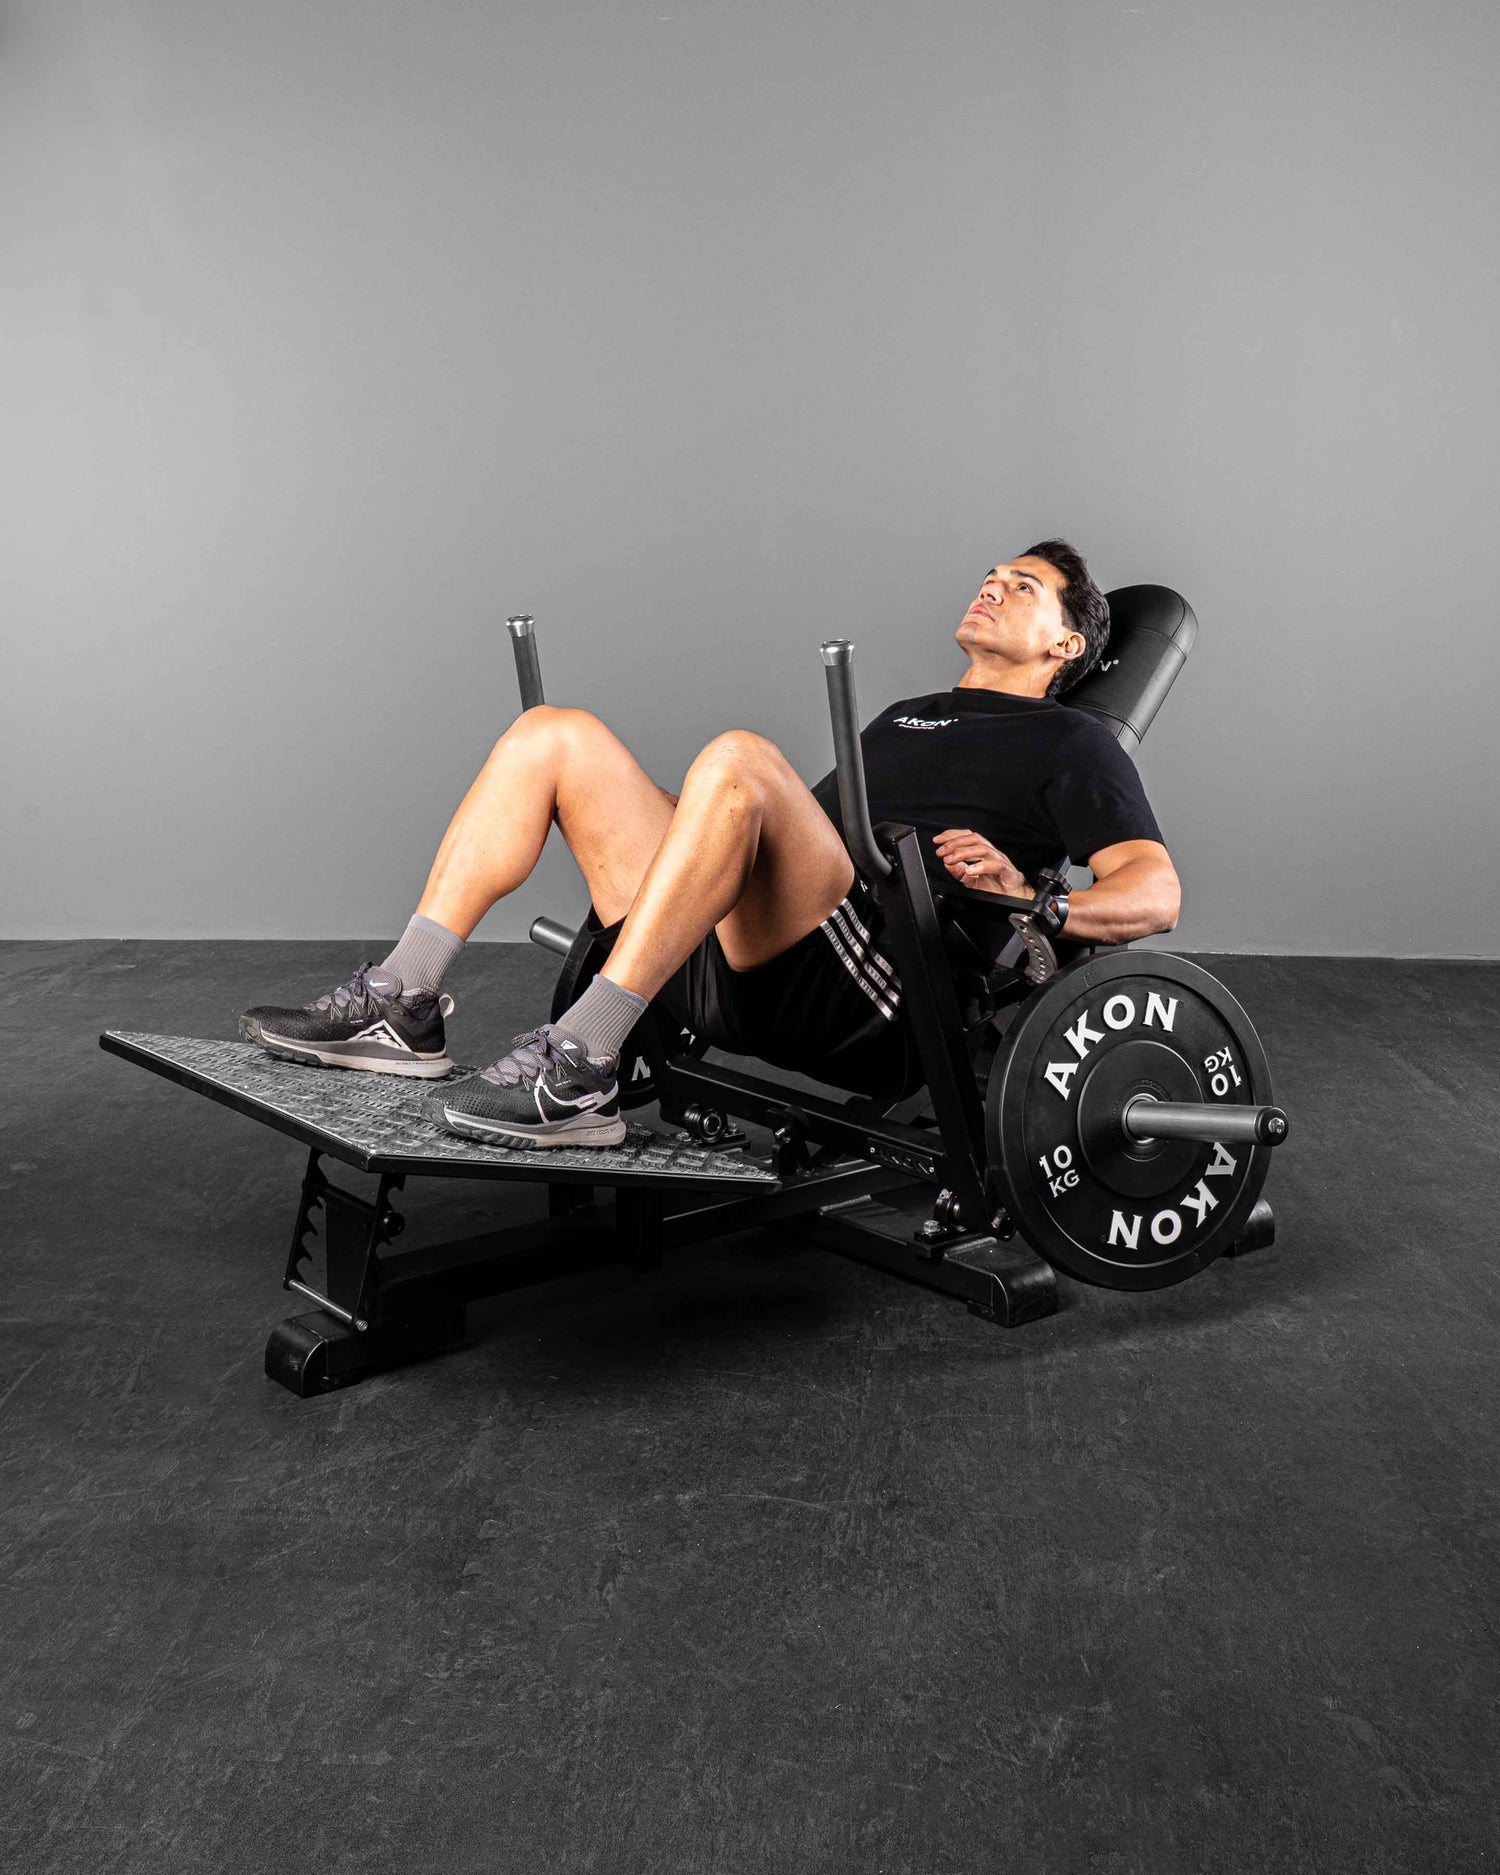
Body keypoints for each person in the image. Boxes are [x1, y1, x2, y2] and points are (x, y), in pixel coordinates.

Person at [241, 540, 1180, 1146]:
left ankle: (581, 1064)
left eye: (1023, 587)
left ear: (1067, 647)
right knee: (553, 736)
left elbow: (1155, 891)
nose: (992, 586)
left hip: (881, 994)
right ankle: (401, 1001)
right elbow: (787, 842)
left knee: (739, 759)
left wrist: (1037, 903)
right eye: (992, 575)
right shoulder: (905, 716)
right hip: (756, 954)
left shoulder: (1073, 742)